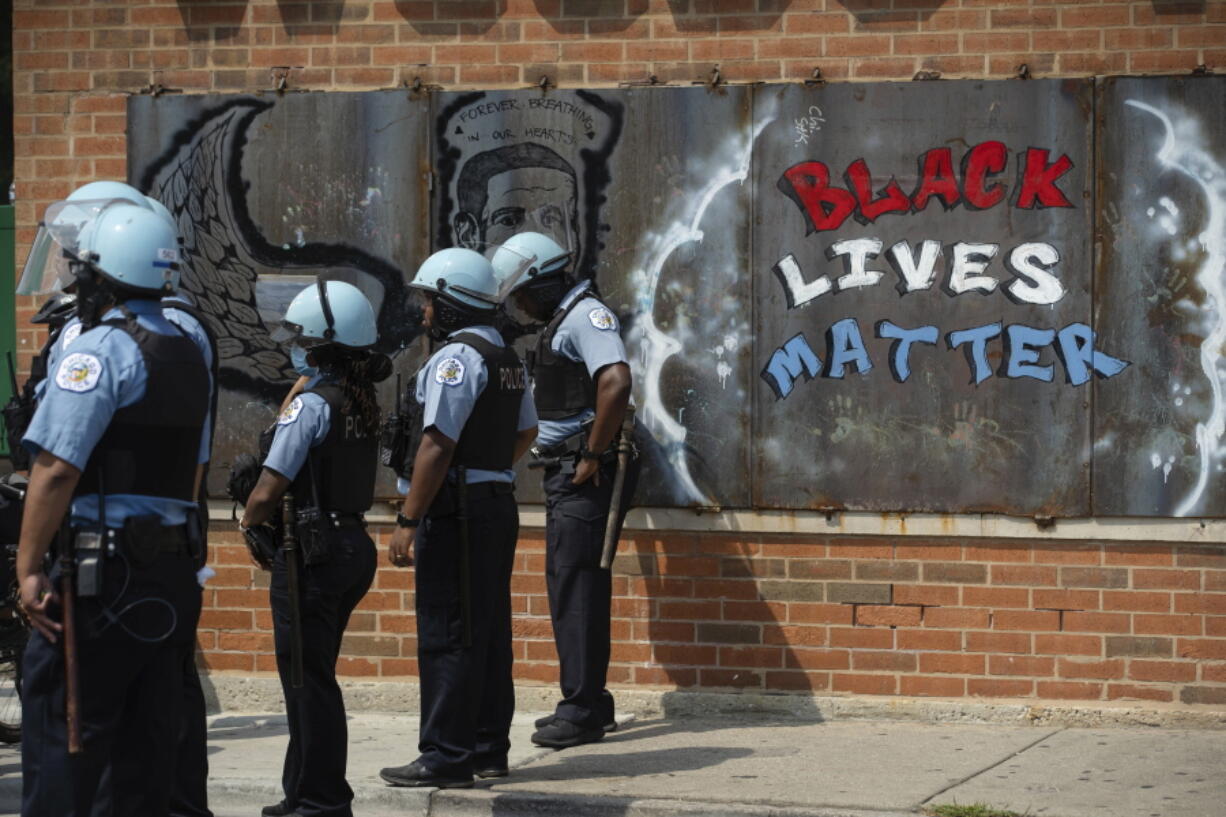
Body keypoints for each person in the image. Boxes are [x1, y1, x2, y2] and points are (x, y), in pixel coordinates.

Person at [15, 191, 211, 815]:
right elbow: (195, 471)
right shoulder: (189, 349)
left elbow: (53, 470)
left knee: (64, 746)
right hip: (170, 576)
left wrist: (25, 570)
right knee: (144, 758)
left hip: (104, 582)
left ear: (100, 272)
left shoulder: (99, 350)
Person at [379, 248, 537, 788]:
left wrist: (408, 519)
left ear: (449, 303)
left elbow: (435, 446)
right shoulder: (507, 357)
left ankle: (445, 755)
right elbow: (526, 433)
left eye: (429, 300)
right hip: (494, 506)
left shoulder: (455, 360)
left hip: (457, 513)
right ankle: (487, 748)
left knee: (447, 632)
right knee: (487, 630)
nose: (425, 311)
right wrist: (488, 471)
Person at [239, 278, 383, 817]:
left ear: (325, 341)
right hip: (348, 546)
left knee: (306, 679)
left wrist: (248, 521)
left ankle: (321, 799)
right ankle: (301, 792)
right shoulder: (356, 398)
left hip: (313, 551)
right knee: (311, 673)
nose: (294, 343)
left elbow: (272, 480)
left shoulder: (313, 406)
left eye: (302, 337)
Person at [491, 231, 639, 750]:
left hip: (582, 473)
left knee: (575, 589)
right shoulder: (565, 318)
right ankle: (591, 702)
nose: (521, 305)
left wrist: (592, 453)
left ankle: (579, 711)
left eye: (522, 293)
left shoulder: (584, 316)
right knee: (575, 586)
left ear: (545, 284)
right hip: (567, 471)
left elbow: (616, 382)